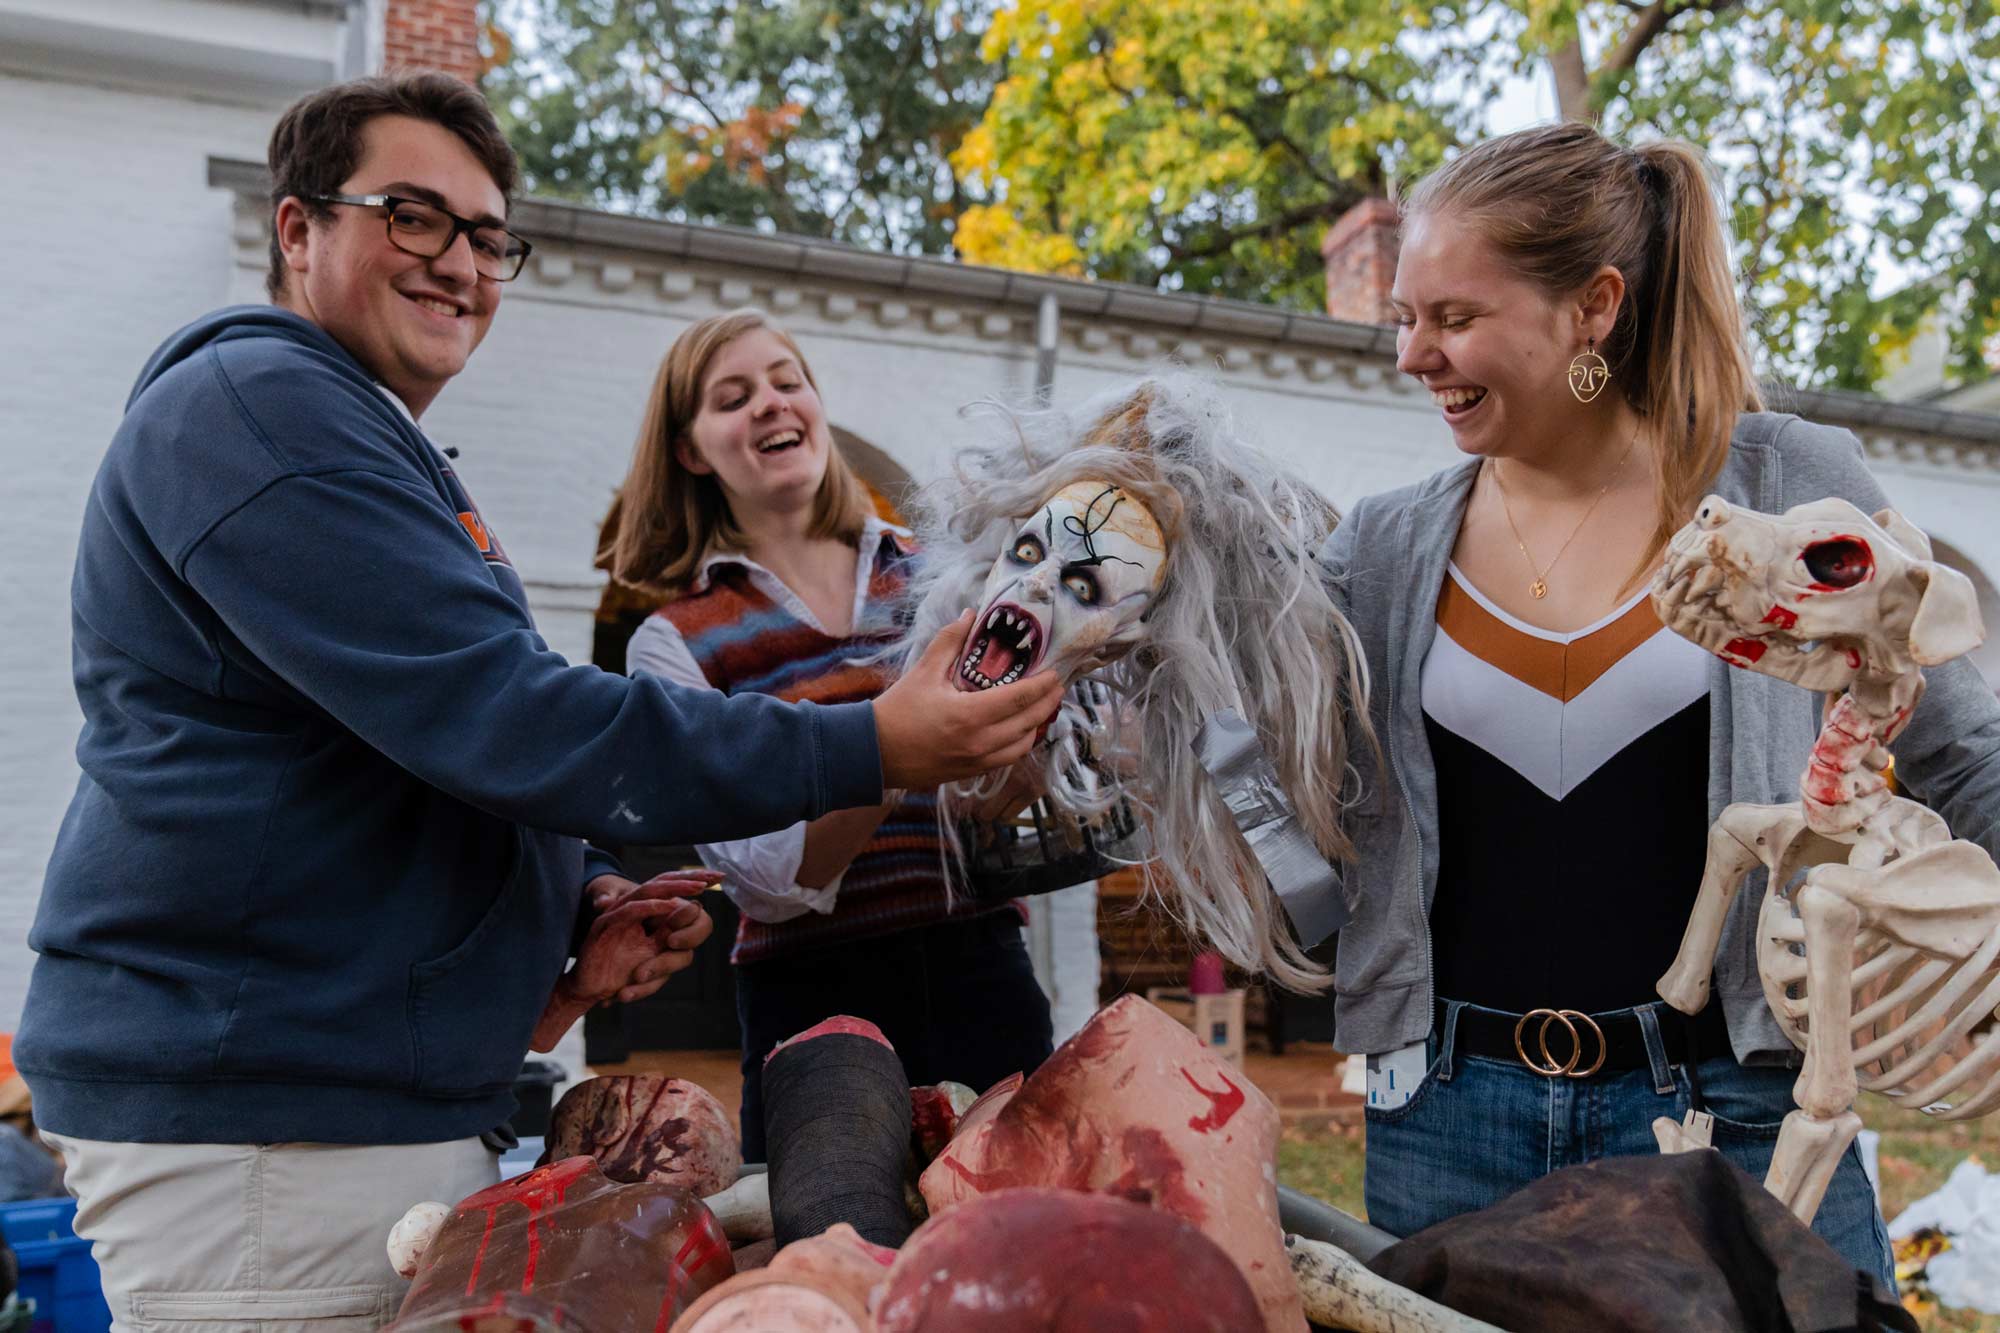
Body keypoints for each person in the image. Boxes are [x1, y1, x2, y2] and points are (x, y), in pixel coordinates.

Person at [14, 73, 1060, 1330]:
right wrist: (880, 740)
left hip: (344, 1112)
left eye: (487, 236)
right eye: (411, 215)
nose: (459, 262)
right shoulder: (264, 410)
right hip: (272, 1129)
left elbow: (416, 744)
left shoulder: (358, 442)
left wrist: (572, 902)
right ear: (297, 230)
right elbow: (505, 717)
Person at [1318, 120, 2000, 1286]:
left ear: (1590, 306)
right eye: (1402, 319)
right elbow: (1260, 769)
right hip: (1445, 1123)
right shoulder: (1378, 549)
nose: (1410, 355)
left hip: (1738, 1113)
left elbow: (1962, 750)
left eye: (1452, 318)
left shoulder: (1785, 482)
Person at [601, 309, 1057, 1159]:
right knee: (834, 1261)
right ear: (693, 450)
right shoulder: (674, 642)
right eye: (733, 397)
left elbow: (992, 796)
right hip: (811, 1001)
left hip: (980, 969)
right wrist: (896, 746)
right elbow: (771, 881)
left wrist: (1021, 756)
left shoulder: (943, 574)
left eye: (788, 381)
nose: (772, 404)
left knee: (1025, 1251)